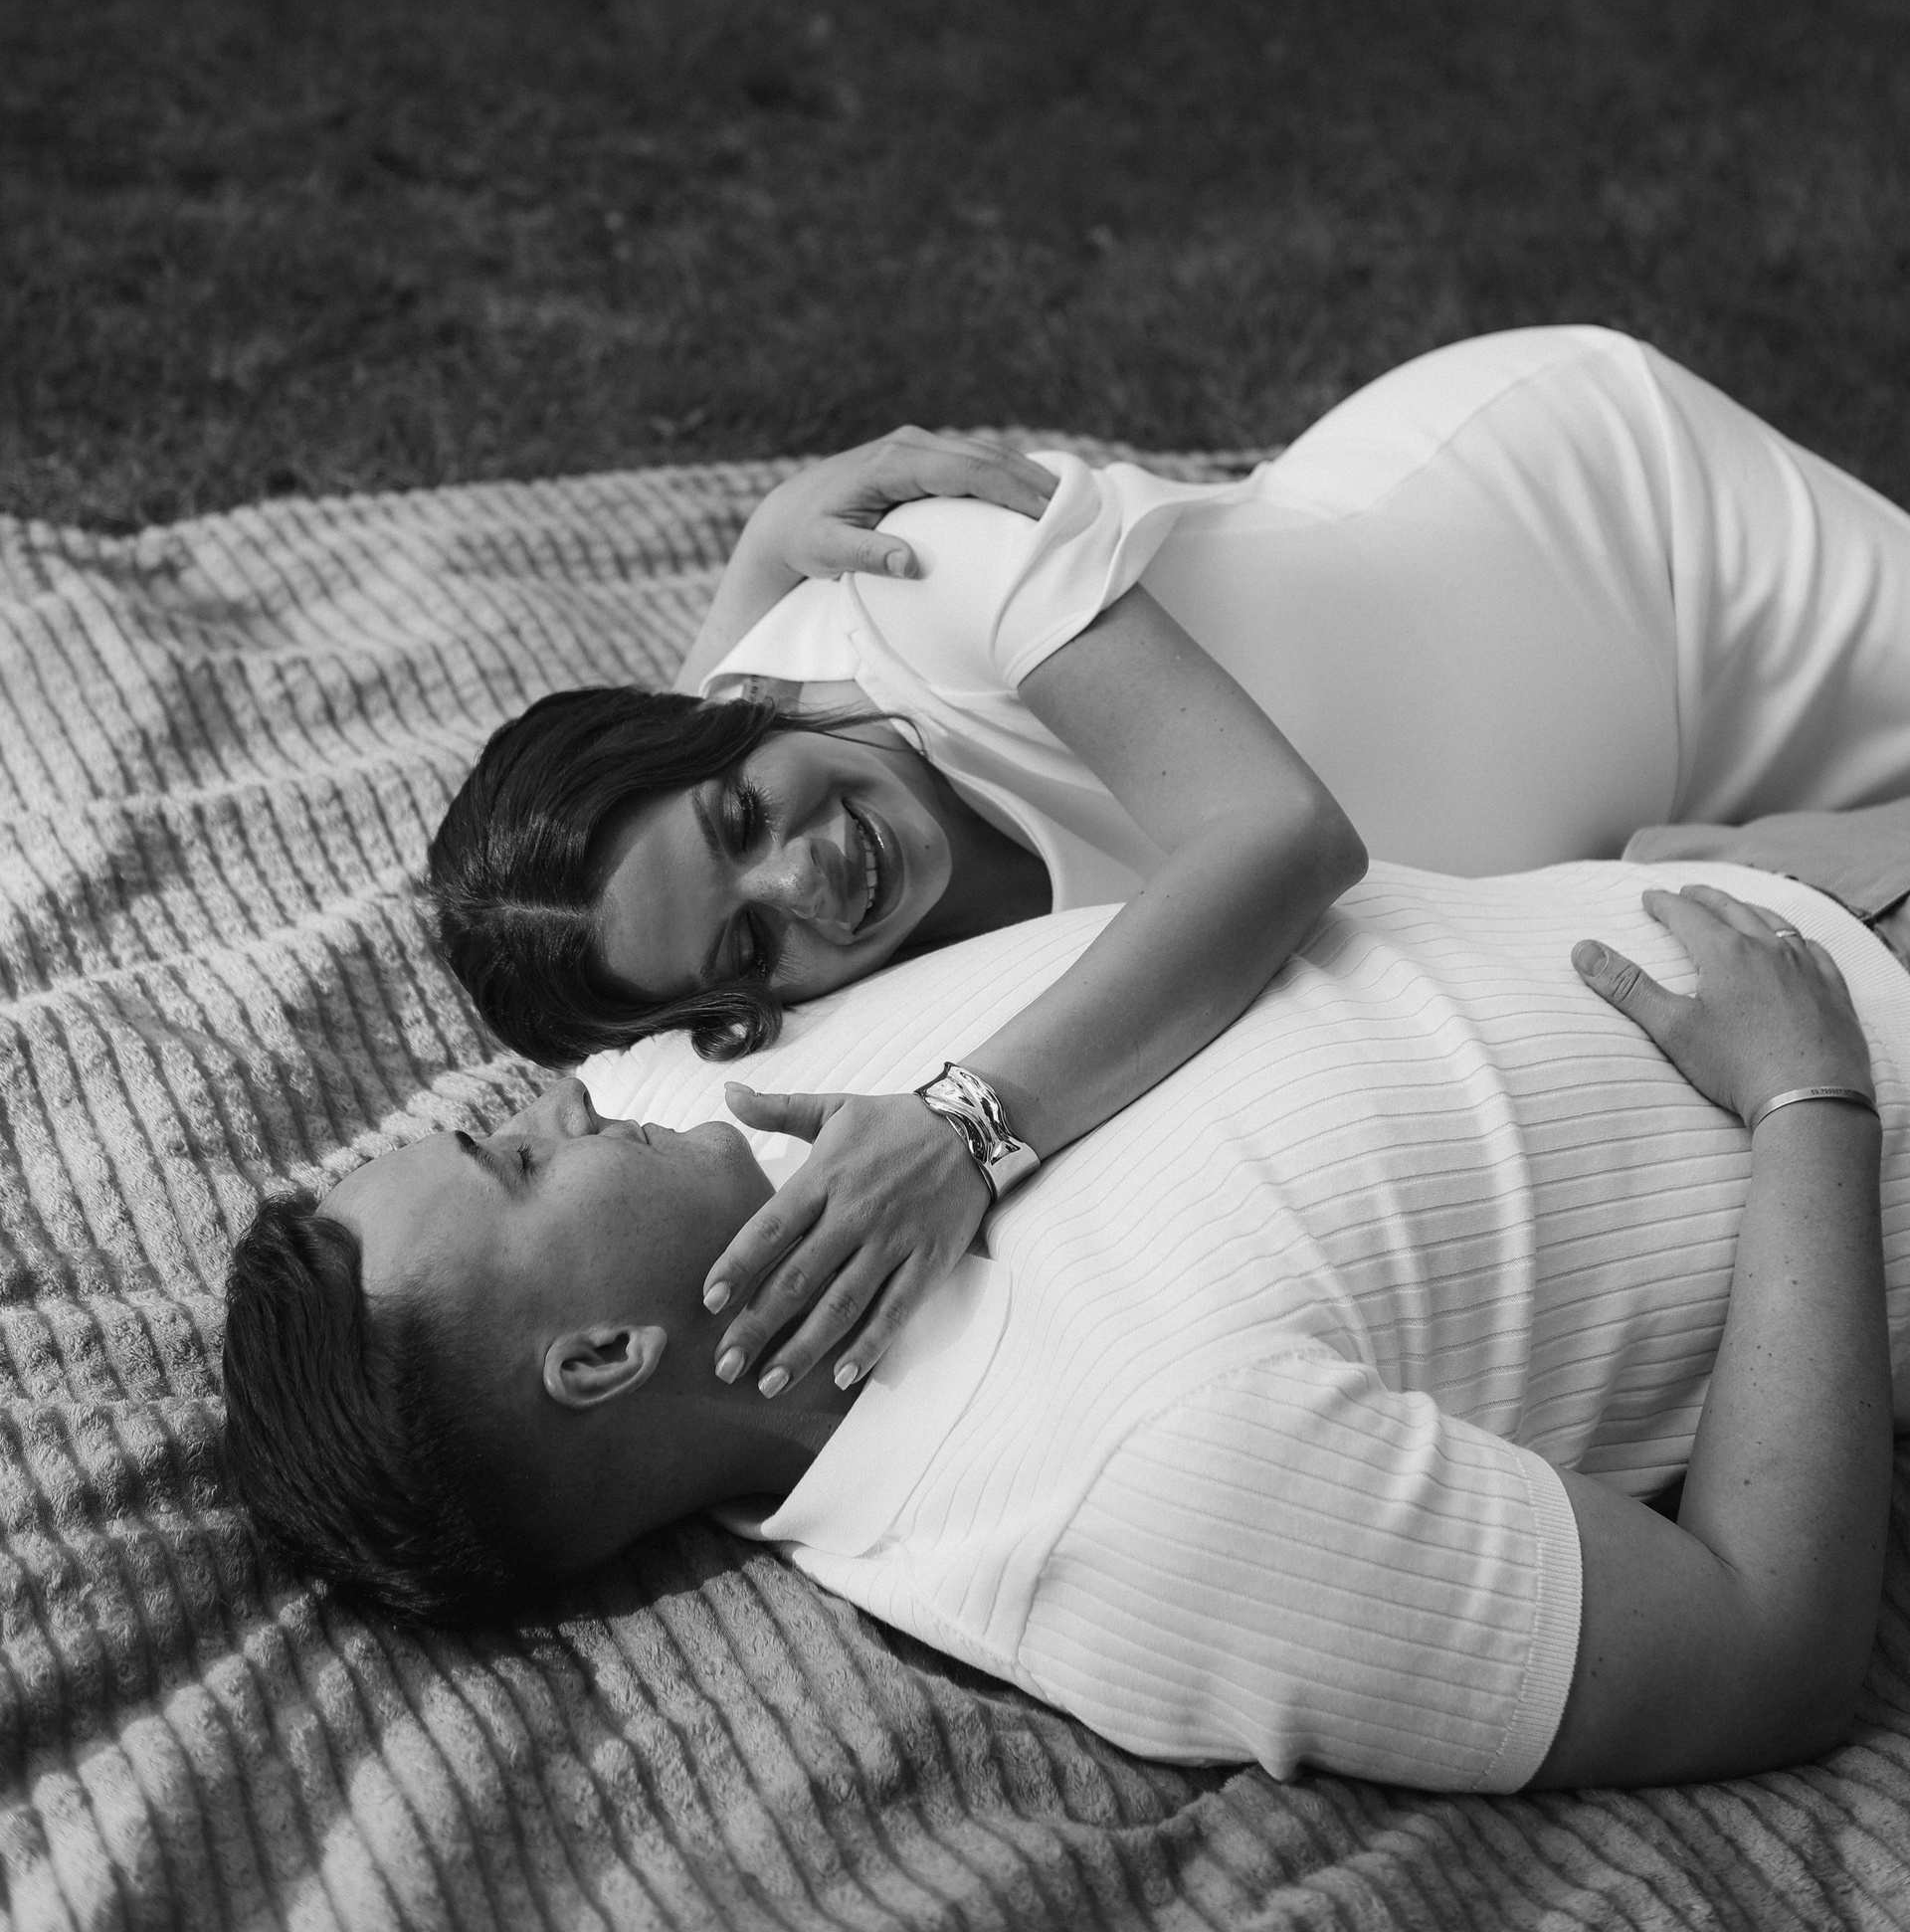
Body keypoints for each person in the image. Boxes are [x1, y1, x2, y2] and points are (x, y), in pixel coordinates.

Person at [427, 326, 1910, 1408]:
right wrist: (759, 550)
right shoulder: (780, 965)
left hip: (1626, 541)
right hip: (1599, 792)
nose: (806, 883)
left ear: (739, 711)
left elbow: (1284, 837)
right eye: (747, 950)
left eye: (743, 820)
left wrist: (965, 1133)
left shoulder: (930, 578)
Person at [223, 856, 1907, 1793]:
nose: (555, 1104)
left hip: (1767, 852)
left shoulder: (703, 1111)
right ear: (601, 1361)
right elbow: (1767, 1655)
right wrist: (1812, 1099)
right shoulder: (1122, 1501)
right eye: (518, 1163)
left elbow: (683, 849)